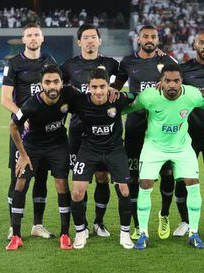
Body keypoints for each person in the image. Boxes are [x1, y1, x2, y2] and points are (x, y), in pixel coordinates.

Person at [124, 64, 204, 250]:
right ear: (161, 81)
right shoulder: (149, 96)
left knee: (193, 183)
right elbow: (130, 107)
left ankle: (193, 233)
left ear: (181, 81)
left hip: (182, 147)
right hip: (154, 147)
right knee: (145, 185)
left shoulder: (192, 95)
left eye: (176, 81)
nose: (172, 85)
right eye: (167, 80)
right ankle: (143, 234)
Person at [112, 25, 177, 239]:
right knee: (134, 177)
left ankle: (164, 214)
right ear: (139, 39)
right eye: (146, 36)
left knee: (167, 174)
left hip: (162, 128)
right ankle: (138, 225)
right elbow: (116, 88)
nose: (150, 39)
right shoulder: (128, 62)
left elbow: (180, 81)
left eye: (153, 36)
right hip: (135, 127)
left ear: (158, 39)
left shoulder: (167, 61)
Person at [5, 65, 76, 251]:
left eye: (56, 82)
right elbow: (13, 126)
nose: (52, 86)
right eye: (47, 82)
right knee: (20, 183)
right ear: (41, 84)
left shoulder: (69, 94)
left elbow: (89, 100)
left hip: (58, 145)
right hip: (33, 147)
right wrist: (22, 154)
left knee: (62, 184)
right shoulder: (31, 104)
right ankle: (16, 235)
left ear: (62, 83)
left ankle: (64, 234)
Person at [61, 23, 119, 237]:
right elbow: (58, 87)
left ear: (99, 40)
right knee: (80, 180)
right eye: (86, 37)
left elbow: (126, 75)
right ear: (79, 42)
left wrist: (115, 89)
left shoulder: (110, 64)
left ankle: (99, 222)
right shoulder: (69, 65)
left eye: (93, 37)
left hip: (104, 131)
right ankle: (82, 224)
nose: (90, 41)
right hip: (78, 131)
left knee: (103, 177)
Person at [69, 68, 136, 249]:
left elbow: (139, 96)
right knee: (77, 192)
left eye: (103, 86)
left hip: (114, 150)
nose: (98, 91)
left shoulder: (119, 99)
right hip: (88, 149)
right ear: (88, 87)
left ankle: (125, 234)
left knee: (124, 190)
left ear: (109, 86)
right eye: (95, 87)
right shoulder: (80, 101)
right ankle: (81, 232)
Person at [1, 23, 56, 240]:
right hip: (22, 131)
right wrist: (21, 116)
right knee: (17, 177)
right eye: (29, 35)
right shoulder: (13, 64)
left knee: (41, 177)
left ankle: (37, 225)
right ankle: (13, 226)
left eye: (36, 34)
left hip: (44, 130)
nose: (33, 38)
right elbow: (5, 99)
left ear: (42, 39)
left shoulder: (49, 61)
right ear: (23, 40)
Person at [171, 30, 204, 237]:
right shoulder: (183, 70)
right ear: (194, 46)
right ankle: (184, 221)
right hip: (188, 136)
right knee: (183, 179)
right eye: (201, 42)